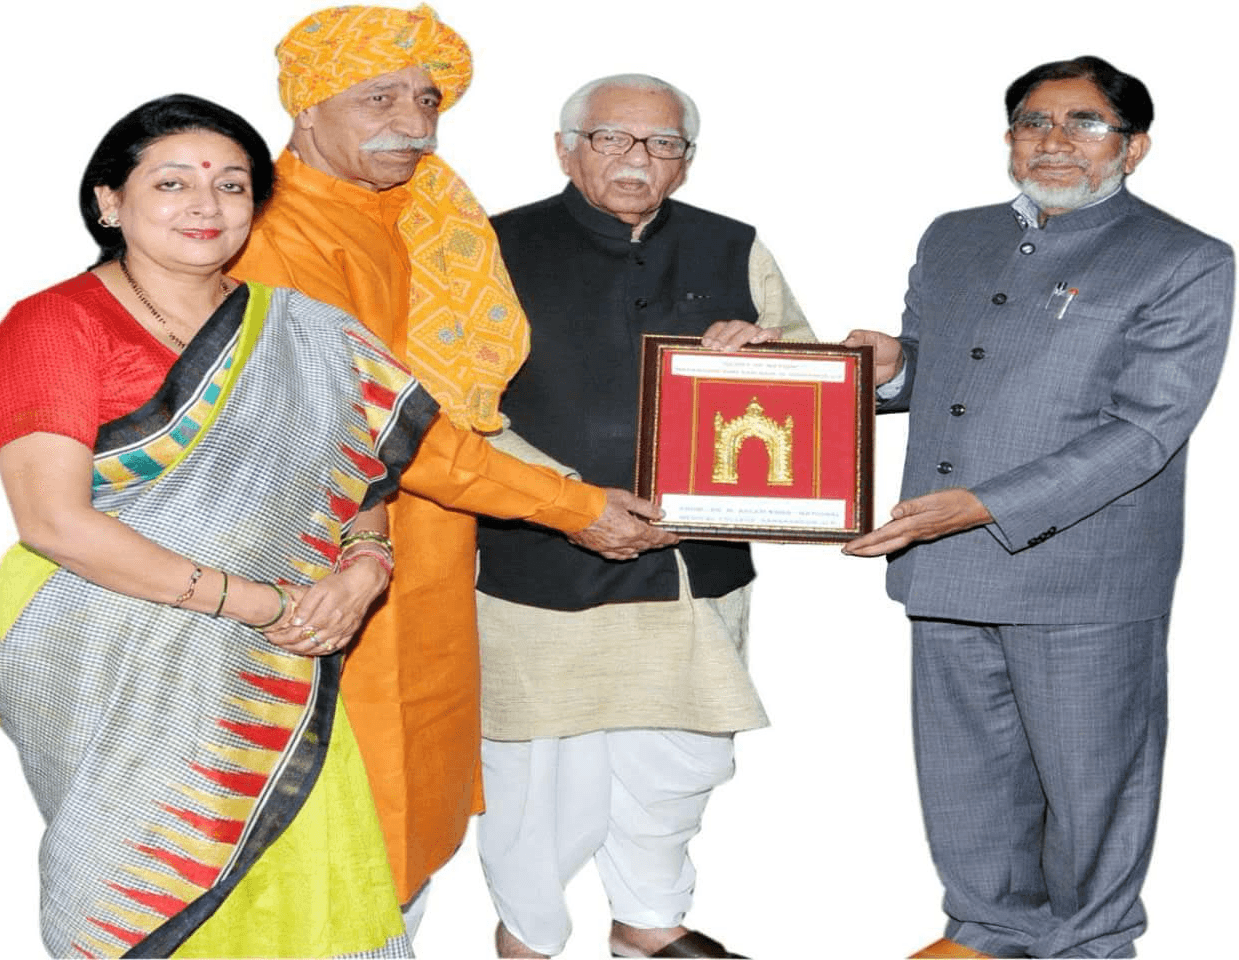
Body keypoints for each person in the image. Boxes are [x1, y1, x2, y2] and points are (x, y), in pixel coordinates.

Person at [0, 92, 660, 960]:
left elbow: (362, 468)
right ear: (109, 202)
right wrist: (261, 605)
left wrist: (365, 565)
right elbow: (54, 522)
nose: (206, 205)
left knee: (310, 881)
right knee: (147, 882)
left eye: (231, 185)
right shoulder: (57, 322)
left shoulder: (302, 328)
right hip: (115, 651)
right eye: (172, 183)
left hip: (286, 654)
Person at [227, 5, 675, 938]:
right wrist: (570, 505)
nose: (416, 123)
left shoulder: (422, 212)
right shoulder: (278, 235)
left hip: (431, 561)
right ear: (307, 105)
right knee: (337, 816)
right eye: (379, 98)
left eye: (427, 99)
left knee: (410, 807)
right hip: (325, 567)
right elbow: (386, 430)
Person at [842, 56, 1234, 959]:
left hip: (1082, 575)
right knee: (965, 773)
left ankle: (1091, 944)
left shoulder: (1183, 259)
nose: (1054, 140)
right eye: (1033, 121)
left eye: (1084, 122)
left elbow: (1144, 430)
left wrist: (981, 505)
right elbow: (942, 368)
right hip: (942, 559)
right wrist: (893, 369)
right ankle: (987, 931)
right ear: (1009, 137)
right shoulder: (953, 235)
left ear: (1133, 146)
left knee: (1091, 786)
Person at [472, 74, 814, 959]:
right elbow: (456, 410)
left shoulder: (731, 245)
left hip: (691, 563)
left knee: (680, 757)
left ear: (685, 162)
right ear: (565, 149)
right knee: (534, 773)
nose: (637, 159)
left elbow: (813, 384)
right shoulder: (488, 248)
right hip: (539, 558)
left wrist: (763, 355)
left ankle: (648, 925)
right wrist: (570, 502)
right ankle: (527, 938)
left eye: (663, 144)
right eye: (612, 139)